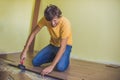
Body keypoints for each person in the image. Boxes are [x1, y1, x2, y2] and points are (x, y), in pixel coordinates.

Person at [20, 4, 72, 75]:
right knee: (35, 62)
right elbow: (33, 33)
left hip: (65, 46)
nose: (53, 24)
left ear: (58, 16)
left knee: (60, 67)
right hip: (53, 45)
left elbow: (62, 47)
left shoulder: (65, 23)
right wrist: (25, 50)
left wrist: (51, 66)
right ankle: (57, 57)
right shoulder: (45, 19)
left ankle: (64, 59)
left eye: (55, 20)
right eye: (50, 21)